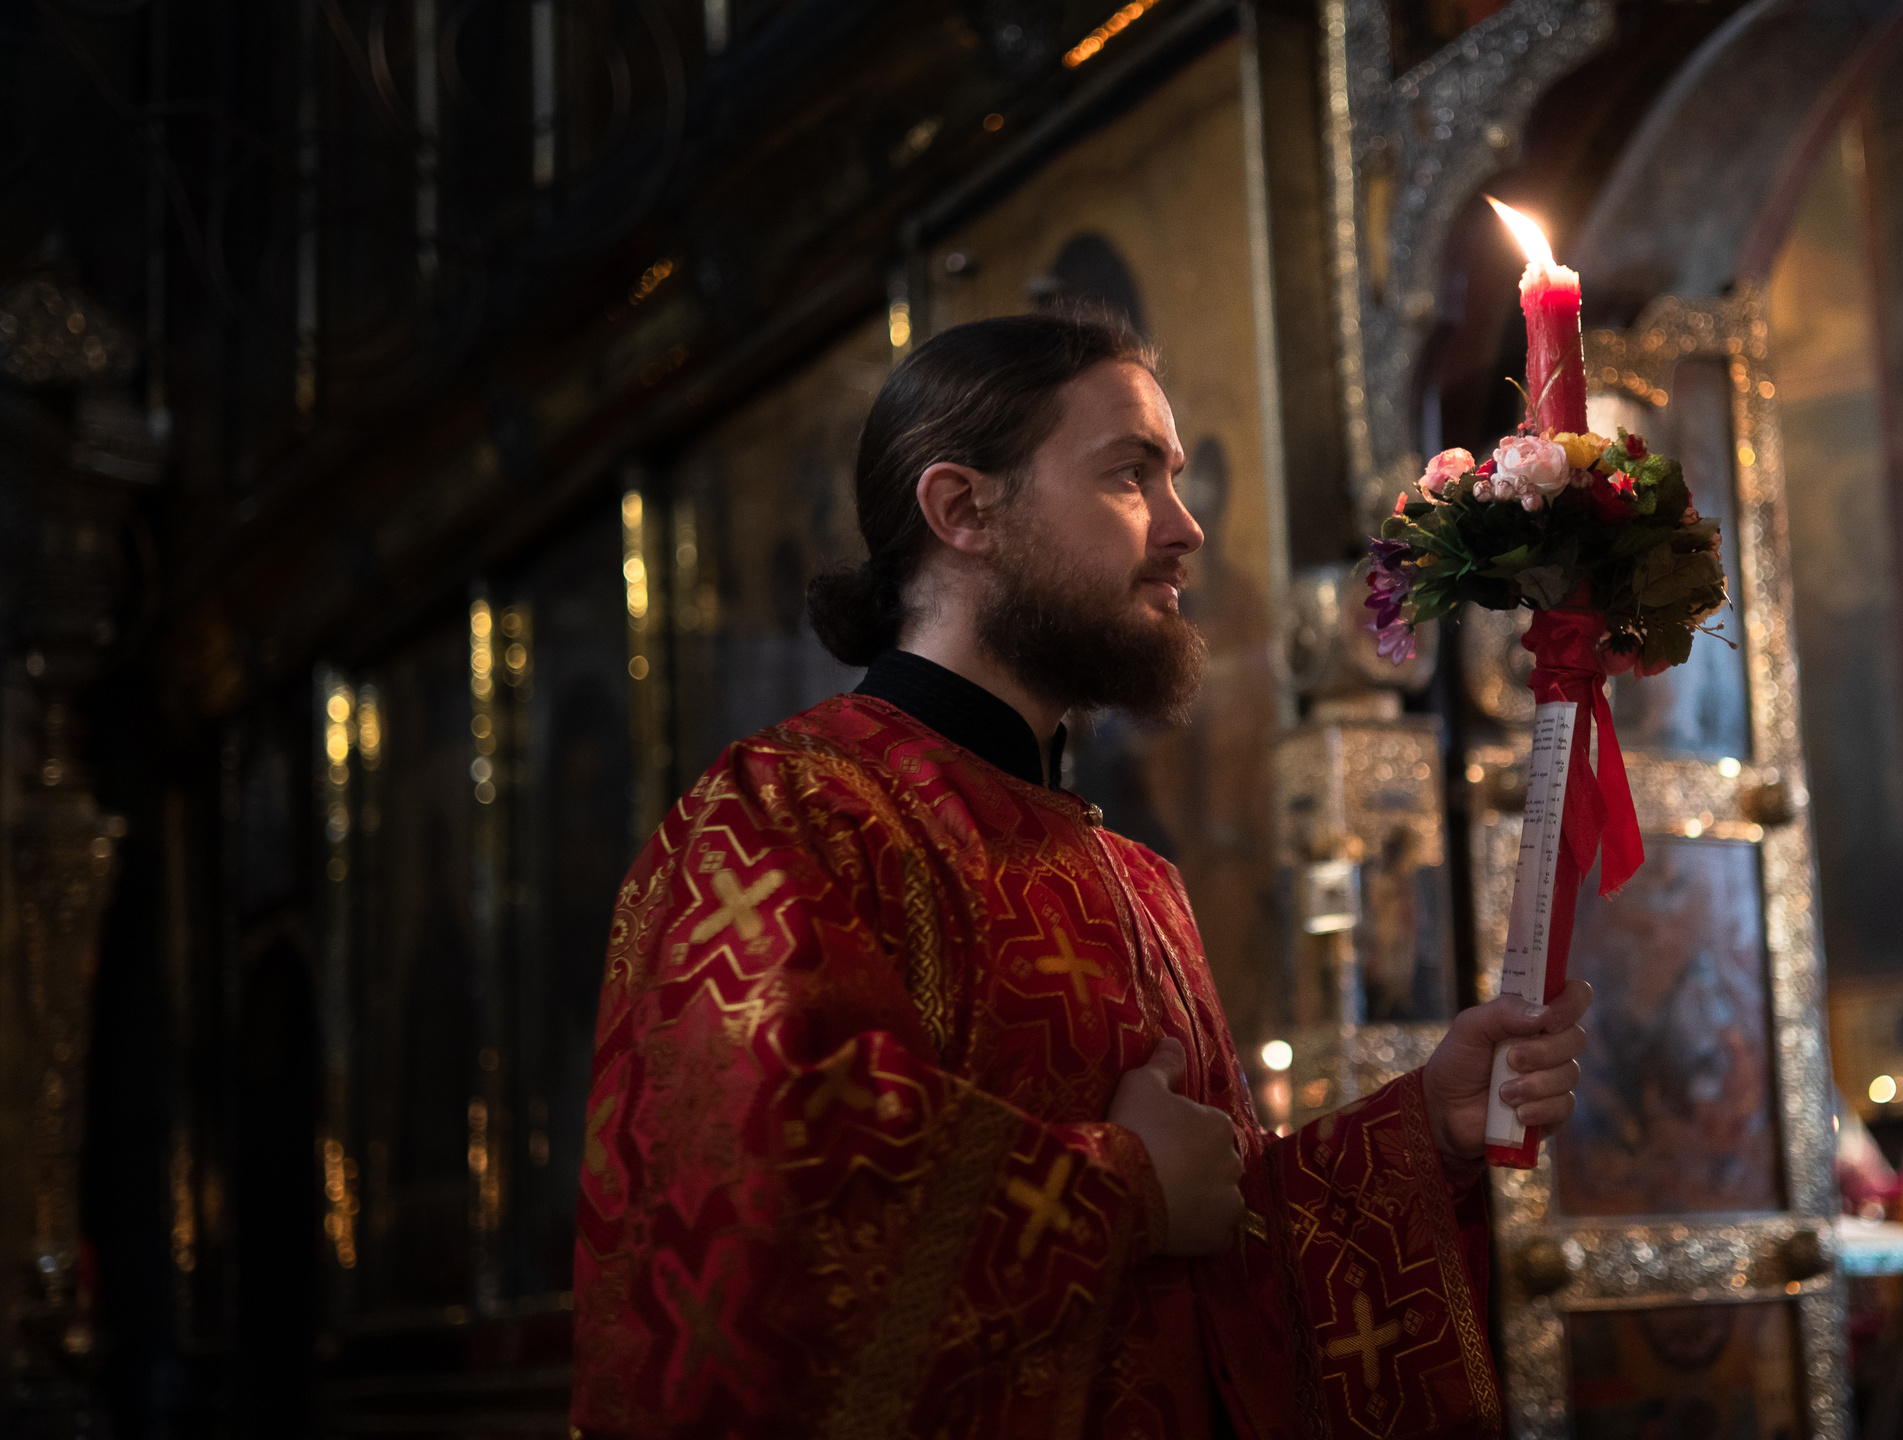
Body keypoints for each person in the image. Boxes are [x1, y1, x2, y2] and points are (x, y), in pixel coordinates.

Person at [571, 309, 1592, 1437]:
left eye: (1176, 477)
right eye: (1128, 476)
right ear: (963, 510)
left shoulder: (1132, 875)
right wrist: (1119, 1188)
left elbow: (1216, 1275)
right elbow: (763, 1223)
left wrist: (1423, 1133)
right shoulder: (785, 816)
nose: (1185, 527)